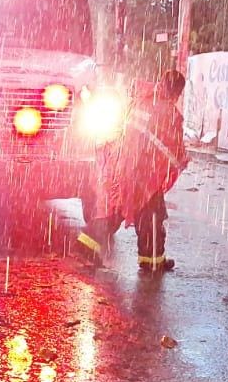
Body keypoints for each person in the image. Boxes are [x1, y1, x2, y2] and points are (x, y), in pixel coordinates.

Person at [75, 70, 189, 271]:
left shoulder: (142, 101)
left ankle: (86, 244)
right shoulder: (170, 115)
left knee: (115, 209)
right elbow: (175, 148)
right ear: (177, 93)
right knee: (152, 217)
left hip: (125, 167)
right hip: (147, 174)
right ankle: (152, 262)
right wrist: (181, 160)